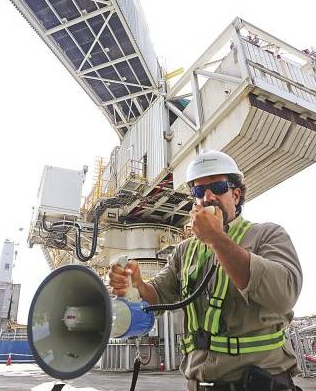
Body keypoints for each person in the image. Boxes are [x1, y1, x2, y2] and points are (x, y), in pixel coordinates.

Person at [109, 150, 302, 391]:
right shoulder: (184, 251)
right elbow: (159, 296)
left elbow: (285, 294)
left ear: (236, 194)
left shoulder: (267, 235)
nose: (208, 196)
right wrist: (137, 284)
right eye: (199, 191)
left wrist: (217, 238)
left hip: (260, 384)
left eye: (218, 187)